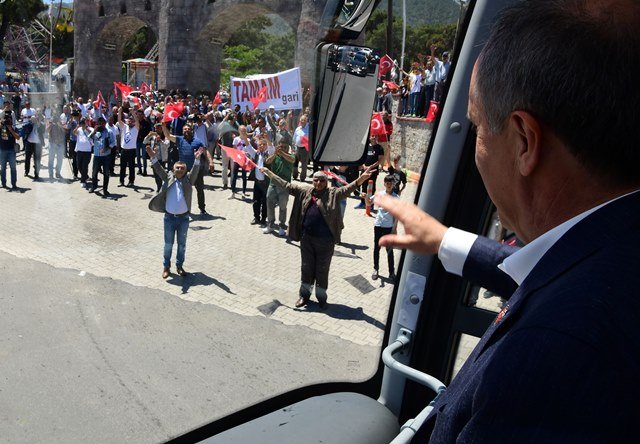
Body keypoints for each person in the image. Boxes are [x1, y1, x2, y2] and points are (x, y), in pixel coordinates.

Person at [376, 0, 640, 440]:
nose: (476, 143)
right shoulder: (616, 248)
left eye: (477, 126)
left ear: (524, 141)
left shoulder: (551, 361)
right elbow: (556, 273)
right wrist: (445, 240)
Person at [261, 166, 377, 308]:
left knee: (322, 270)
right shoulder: (305, 191)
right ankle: (304, 296)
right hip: (307, 239)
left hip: (326, 241)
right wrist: (269, 173)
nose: (319, 183)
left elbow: (348, 189)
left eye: (322, 180)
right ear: (312, 181)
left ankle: (321, 298)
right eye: (316, 180)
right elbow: (286, 185)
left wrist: (361, 179)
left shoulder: (333, 193)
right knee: (306, 269)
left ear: (327, 182)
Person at [146, 144, 204, 279]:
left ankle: (179, 266)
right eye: (177, 167)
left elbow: (195, 171)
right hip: (169, 218)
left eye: (182, 168)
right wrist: (153, 157)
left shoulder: (189, 180)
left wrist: (197, 159)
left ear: (185, 170)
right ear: (173, 169)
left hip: (183, 219)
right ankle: (166, 266)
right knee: (168, 244)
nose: (179, 169)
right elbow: (159, 169)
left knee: (182, 245)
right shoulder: (168, 178)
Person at [161, 121, 215, 215]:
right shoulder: (180, 139)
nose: (187, 130)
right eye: (185, 129)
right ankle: (183, 209)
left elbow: (205, 152)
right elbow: (168, 136)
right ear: (182, 131)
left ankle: (202, 209)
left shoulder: (198, 141)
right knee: (182, 191)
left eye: (189, 129)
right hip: (183, 171)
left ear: (192, 131)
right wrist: (163, 126)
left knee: (200, 190)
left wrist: (211, 162)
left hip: (196, 170)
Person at [366, 175, 397, 281]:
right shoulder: (379, 195)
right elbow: (368, 203)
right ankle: (375, 269)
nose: (388, 185)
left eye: (390, 183)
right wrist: (366, 198)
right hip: (378, 225)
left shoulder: (396, 198)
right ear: (384, 184)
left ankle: (391, 272)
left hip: (388, 227)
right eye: (387, 183)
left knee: (389, 250)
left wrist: (394, 228)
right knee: (376, 248)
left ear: (393, 184)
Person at [263, 140, 296, 236]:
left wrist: (282, 152)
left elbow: (292, 160)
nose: (283, 149)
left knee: (283, 206)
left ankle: (282, 225)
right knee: (269, 204)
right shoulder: (275, 156)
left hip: (284, 186)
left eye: (285, 147)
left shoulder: (291, 156)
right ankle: (270, 224)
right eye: (281, 147)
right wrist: (275, 153)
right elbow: (267, 161)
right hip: (273, 184)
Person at [354, 135, 384, 209]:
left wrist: (371, 167)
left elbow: (380, 160)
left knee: (372, 187)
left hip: (373, 171)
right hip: (364, 170)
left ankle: (371, 204)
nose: (373, 137)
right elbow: (362, 158)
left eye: (375, 136)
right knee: (363, 186)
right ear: (369, 137)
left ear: (377, 137)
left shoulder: (380, 148)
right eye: (372, 136)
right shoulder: (366, 147)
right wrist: (364, 166)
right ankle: (362, 202)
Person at [88, 117, 114, 196]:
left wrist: (107, 148)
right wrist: (94, 131)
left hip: (106, 156)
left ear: (105, 123)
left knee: (106, 173)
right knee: (94, 172)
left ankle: (105, 189)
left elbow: (113, 143)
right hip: (97, 156)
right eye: (99, 123)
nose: (100, 125)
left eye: (102, 123)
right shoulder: (95, 132)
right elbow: (88, 138)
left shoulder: (109, 132)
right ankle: (94, 186)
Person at [0, 113, 20, 190]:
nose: (8, 121)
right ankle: (3, 183)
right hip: (2, 150)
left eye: (9, 119)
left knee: (13, 168)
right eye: (6, 119)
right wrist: (2, 123)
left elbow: (18, 137)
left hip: (11, 150)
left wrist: (10, 129)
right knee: (3, 168)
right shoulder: (1, 127)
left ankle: (14, 184)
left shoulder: (14, 127)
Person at [47, 114, 66, 180]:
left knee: (59, 160)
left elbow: (65, 131)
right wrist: (51, 124)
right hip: (52, 143)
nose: (55, 120)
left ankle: (58, 172)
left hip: (60, 144)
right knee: (51, 160)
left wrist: (60, 125)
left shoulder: (61, 124)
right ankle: (50, 174)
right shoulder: (50, 124)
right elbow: (47, 130)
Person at [292, 114, 310, 181]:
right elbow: (294, 138)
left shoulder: (309, 128)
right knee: (295, 162)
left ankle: (302, 178)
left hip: (304, 149)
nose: (302, 121)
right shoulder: (297, 128)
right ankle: (294, 176)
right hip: (297, 148)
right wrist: (293, 148)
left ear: (306, 121)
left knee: (304, 164)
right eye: (301, 120)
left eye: (303, 120)